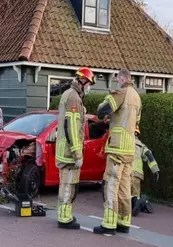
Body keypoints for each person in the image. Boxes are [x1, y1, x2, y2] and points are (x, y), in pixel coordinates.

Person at [93, 69, 141, 235]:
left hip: (117, 148)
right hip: (130, 148)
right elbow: (136, 123)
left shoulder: (120, 93)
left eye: (117, 79)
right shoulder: (137, 97)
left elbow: (103, 110)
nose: (117, 82)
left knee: (111, 184)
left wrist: (105, 114)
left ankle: (109, 223)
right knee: (124, 186)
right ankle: (124, 221)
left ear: (121, 78)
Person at [55, 67, 95, 230]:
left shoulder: (72, 95)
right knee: (68, 185)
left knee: (68, 184)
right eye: (89, 83)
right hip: (69, 152)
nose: (89, 87)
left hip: (67, 149)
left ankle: (65, 214)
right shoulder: (73, 98)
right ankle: (64, 218)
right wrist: (77, 154)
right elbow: (71, 127)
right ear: (83, 81)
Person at [131, 125, 159, 216]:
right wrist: (155, 171)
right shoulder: (141, 146)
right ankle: (139, 201)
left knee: (123, 192)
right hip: (137, 174)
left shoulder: (124, 142)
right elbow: (149, 157)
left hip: (125, 171)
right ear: (138, 134)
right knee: (134, 193)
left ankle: (134, 203)